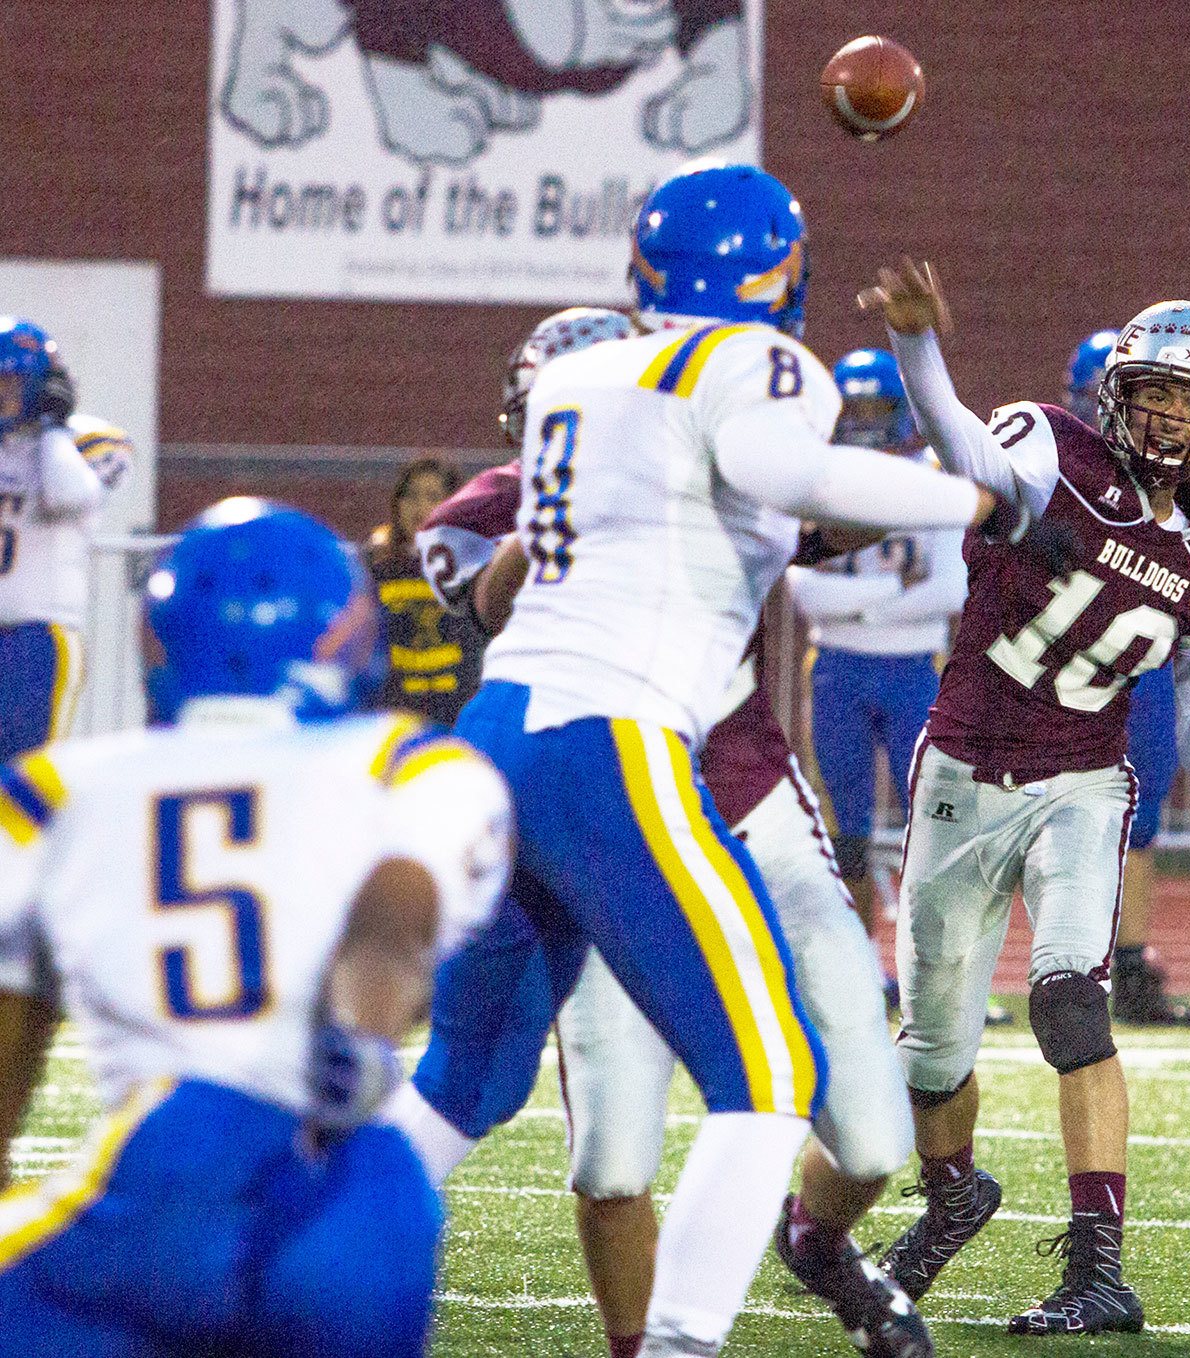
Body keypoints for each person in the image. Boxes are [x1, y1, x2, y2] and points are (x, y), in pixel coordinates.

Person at [384, 164, 1039, 1358]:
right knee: (772, 1069)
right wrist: (967, 502)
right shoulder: (757, 362)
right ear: (778, 275)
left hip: (498, 736)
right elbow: (789, 475)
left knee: (463, 1079)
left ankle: (269, 1262)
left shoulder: (583, 374)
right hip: (611, 742)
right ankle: (678, 1346)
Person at [417, 309, 931, 1358]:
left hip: (741, 799)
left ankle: (817, 1242)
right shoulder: (496, 504)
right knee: (610, 1159)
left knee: (871, 1139)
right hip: (596, 823)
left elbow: (840, 508)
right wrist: (559, 525)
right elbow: (477, 603)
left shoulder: (713, 459)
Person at [864, 263, 1190, 1334]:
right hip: (960, 766)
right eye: (1159, 391)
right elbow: (960, 449)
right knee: (931, 1049)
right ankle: (953, 1192)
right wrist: (919, 350)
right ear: (1118, 390)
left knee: (1067, 998)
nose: (1174, 415)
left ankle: (1098, 1268)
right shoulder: (1050, 447)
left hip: (1083, 781)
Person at [0, 498, 512, 1357]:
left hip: (165, 1168)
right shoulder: (414, 762)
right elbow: (395, 909)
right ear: (340, 637)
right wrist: (357, 1040)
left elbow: (12, 1034)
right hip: (361, 1198)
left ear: (158, 640)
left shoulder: (55, 790)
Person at [788, 348, 965, 990]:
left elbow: (953, 589)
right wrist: (891, 598)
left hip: (915, 669)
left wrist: (857, 607)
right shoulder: (818, 477)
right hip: (837, 670)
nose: (863, 422)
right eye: (853, 408)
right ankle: (856, 967)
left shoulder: (931, 474)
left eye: (876, 408)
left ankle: (935, 974)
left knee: (939, 830)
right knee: (847, 837)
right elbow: (807, 593)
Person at [1063, 328, 1190, 1027]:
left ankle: (1127, 965)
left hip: (1142, 669)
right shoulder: (1050, 473)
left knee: (1140, 821)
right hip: (1053, 668)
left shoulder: (1185, 495)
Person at [0, 318, 132, 759]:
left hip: (34, 637)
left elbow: (67, 496)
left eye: (9, 383)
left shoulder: (84, 441)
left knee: (19, 780)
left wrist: (53, 429)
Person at [365, 455, 482, 725]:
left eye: (433, 496)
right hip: (392, 715)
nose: (420, 507)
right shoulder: (375, 564)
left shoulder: (473, 565)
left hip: (456, 715)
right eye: (411, 496)